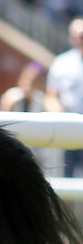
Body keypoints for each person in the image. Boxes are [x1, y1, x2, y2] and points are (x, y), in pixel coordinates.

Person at [45, 17, 83, 177]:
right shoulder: (61, 63)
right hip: (69, 129)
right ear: (71, 38)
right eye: (79, 36)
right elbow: (51, 97)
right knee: (66, 178)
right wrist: (58, 113)